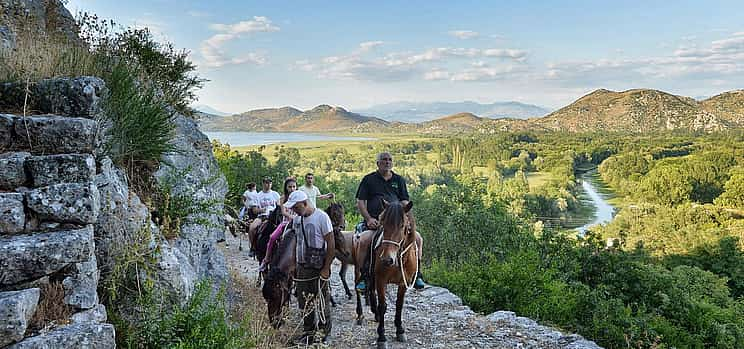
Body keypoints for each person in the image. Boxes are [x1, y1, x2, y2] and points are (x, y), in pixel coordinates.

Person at [354, 152, 425, 291]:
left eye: (390, 160)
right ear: (378, 163)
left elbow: (404, 201)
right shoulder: (368, 180)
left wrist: (409, 220)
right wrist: (368, 219)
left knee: (418, 239)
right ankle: (365, 276)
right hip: (376, 222)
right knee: (364, 241)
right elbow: (360, 201)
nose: (387, 162)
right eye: (384, 160)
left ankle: (417, 274)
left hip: (396, 222)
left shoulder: (399, 180)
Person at [283, 190, 335, 345]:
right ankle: (308, 332)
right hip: (302, 266)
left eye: (296, 207)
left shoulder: (321, 217)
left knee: (322, 300)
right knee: (304, 301)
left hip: (318, 267)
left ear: (305, 203)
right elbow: (297, 242)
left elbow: (331, 244)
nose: (294, 210)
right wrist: (294, 264)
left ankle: (324, 333)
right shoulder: (298, 220)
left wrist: (326, 268)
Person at [259, 177, 298, 271]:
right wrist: (294, 217)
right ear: (286, 188)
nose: (292, 189)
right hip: (286, 223)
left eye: (294, 187)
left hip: (299, 223)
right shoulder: (283, 198)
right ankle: (266, 259)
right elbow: (284, 212)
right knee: (272, 237)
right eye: (290, 187)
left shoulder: (299, 197)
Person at [248, 177, 281, 257]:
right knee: (252, 228)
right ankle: (253, 247)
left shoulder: (275, 194)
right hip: (262, 216)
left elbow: (279, 206)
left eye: (270, 183)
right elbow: (254, 210)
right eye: (266, 183)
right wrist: (262, 210)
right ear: (263, 184)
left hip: (274, 217)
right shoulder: (257, 195)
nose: (268, 185)